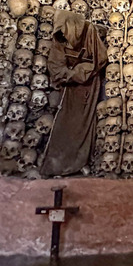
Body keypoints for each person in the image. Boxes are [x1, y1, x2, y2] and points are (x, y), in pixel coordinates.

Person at [41, 10, 107, 176]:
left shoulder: (89, 31)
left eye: (65, 31)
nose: (64, 37)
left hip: (88, 86)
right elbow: (55, 65)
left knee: (85, 124)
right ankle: (58, 164)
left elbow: (100, 59)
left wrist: (78, 72)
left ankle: (80, 162)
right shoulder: (60, 37)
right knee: (65, 124)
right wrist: (72, 74)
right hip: (69, 88)